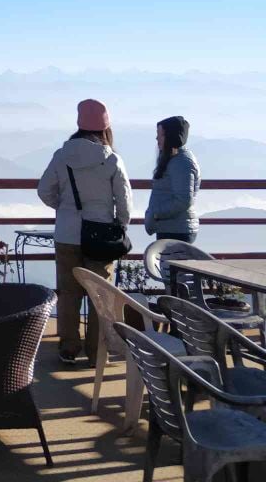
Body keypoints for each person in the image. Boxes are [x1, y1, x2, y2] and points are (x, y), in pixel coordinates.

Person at [37, 98, 133, 366]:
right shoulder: (111, 159)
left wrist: (64, 208)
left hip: (67, 235)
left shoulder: (61, 156)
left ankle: (68, 348)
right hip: (101, 237)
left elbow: (44, 190)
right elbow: (124, 201)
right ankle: (97, 352)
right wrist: (119, 225)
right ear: (105, 128)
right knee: (100, 296)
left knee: (68, 294)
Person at [145, 116, 200, 243]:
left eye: (160, 135)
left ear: (169, 136)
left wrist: (156, 214)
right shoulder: (174, 159)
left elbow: (183, 200)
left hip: (176, 230)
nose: (157, 138)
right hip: (172, 227)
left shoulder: (181, 162)